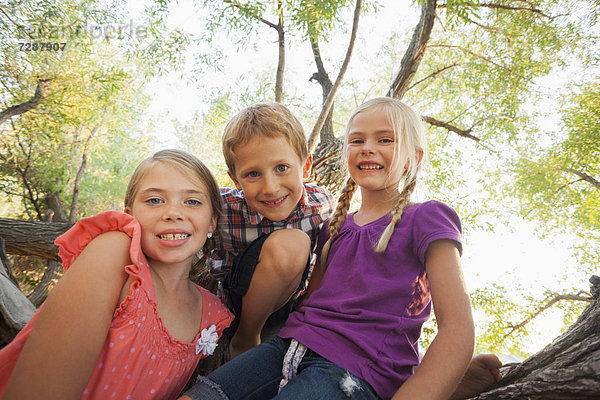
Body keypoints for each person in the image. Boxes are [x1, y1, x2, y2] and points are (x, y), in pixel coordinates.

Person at [181, 97, 475, 400]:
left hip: (350, 368)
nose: (368, 147)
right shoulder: (334, 228)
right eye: (357, 139)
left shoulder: (426, 217)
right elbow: (309, 305)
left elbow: (457, 327)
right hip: (284, 347)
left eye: (385, 139)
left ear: (413, 157)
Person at [0, 149, 233, 399]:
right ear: (130, 214)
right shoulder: (116, 255)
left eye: (193, 201)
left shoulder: (211, 313)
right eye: (155, 200)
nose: (173, 212)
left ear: (212, 221)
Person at [212, 103, 335, 356]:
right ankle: (245, 338)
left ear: (306, 166)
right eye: (253, 174)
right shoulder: (221, 208)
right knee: (291, 245)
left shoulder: (322, 205)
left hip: (288, 301)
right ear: (235, 180)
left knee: (298, 245)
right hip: (236, 298)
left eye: (282, 168)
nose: (270, 188)